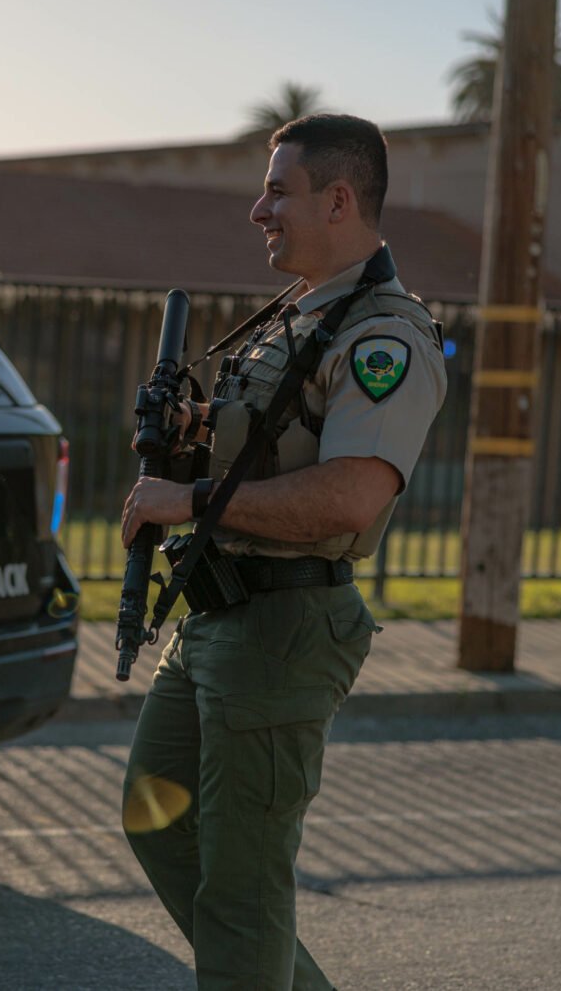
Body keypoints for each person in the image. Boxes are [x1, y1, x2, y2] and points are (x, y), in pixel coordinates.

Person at [118, 114, 448, 990]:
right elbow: (262, 449)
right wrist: (188, 436)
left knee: (241, 891)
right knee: (157, 816)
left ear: (339, 199)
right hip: (220, 614)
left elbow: (349, 494)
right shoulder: (293, 316)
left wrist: (184, 497)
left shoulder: (386, 335)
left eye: (278, 190)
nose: (258, 209)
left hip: (284, 625)